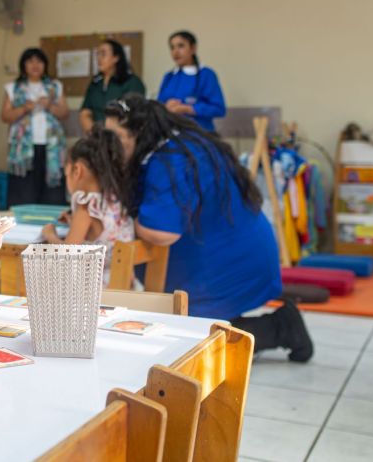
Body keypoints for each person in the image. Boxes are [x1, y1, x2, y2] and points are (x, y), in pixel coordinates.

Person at [104, 94, 313, 362]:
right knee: (186, 335)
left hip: (226, 263)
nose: (110, 146)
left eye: (117, 138)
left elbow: (162, 232)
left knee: (189, 349)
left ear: (140, 133)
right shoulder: (183, 142)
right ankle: (277, 324)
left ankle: (282, 327)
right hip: (235, 249)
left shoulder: (169, 159)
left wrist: (123, 220)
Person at [40, 128, 134, 285]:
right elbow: (100, 233)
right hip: (124, 285)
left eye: (66, 174)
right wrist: (73, 221)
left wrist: (50, 235)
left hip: (97, 291)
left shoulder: (86, 206)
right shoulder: (113, 200)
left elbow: (66, 256)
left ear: (77, 170)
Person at [1, 47, 69, 206]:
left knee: (51, 192)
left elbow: (64, 113)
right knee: (24, 191)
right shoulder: (13, 87)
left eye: (39, 61)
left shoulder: (55, 86)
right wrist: (24, 108)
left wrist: (49, 106)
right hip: (23, 150)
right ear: (23, 65)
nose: (35, 65)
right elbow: (5, 116)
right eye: (30, 61)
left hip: (50, 148)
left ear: (45, 65)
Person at [156, 30, 226, 132]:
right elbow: (158, 107)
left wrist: (188, 109)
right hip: (171, 136)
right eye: (172, 47)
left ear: (193, 48)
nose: (176, 52)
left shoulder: (206, 75)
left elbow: (219, 109)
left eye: (181, 46)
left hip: (200, 136)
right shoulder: (169, 77)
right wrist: (165, 107)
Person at [79, 39, 146, 133]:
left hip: (122, 137)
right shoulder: (95, 83)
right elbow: (85, 112)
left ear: (116, 57)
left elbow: (133, 115)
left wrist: (111, 136)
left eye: (103, 54)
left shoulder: (132, 82)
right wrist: (93, 132)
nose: (99, 58)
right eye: (97, 54)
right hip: (96, 137)